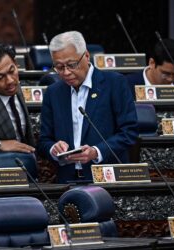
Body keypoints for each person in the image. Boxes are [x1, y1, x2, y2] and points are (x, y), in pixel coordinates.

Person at [37, 31, 138, 183]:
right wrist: (53, 148)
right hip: (67, 180)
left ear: (86, 56)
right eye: (59, 67)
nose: (65, 72)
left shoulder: (115, 83)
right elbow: (44, 140)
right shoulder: (53, 92)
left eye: (72, 65)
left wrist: (96, 152)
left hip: (107, 178)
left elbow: (129, 132)